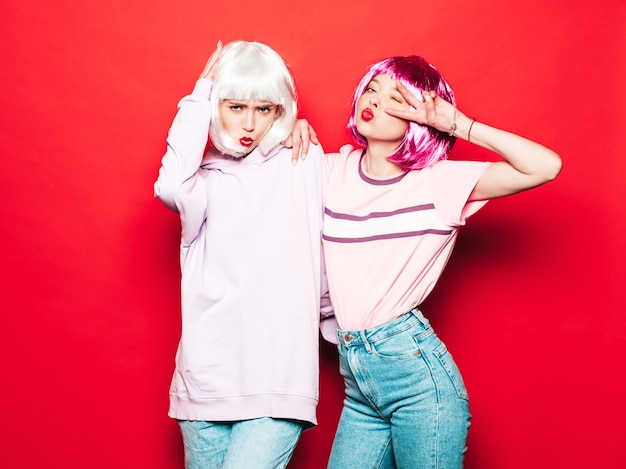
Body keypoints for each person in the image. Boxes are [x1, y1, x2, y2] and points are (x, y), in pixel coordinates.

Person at [311, 55, 562, 468]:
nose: (374, 99)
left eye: (397, 96)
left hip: (415, 378)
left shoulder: (438, 184)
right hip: (358, 381)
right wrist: (292, 128)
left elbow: (546, 166)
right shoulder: (329, 171)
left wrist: (459, 125)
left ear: (418, 119)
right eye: (372, 88)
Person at [154, 40, 332, 469]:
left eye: (264, 109)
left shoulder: (303, 162)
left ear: (280, 110)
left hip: (277, 377)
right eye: (235, 106)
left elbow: (327, 254)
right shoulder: (203, 180)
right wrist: (200, 93)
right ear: (216, 106)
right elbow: (170, 185)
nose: (248, 123)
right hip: (205, 380)